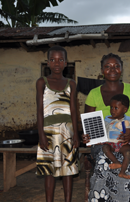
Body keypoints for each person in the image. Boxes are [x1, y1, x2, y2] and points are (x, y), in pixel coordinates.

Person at [82, 53, 130, 201]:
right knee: (103, 160)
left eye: (116, 66)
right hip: (104, 139)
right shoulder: (93, 94)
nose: (112, 69)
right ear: (102, 70)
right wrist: (87, 135)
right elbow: (89, 124)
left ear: (121, 69)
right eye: (107, 66)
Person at [36, 46, 79, 202]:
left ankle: (67, 200)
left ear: (66, 63)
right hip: (48, 132)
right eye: (53, 59)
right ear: (47, 63)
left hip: (67, 131)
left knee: (67, 170)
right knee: (49, 171)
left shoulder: (71, 83)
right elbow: (39, 110)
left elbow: (74, 111)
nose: (56, 63)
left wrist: (76, 134)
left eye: (60, 60)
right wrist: (41, 134)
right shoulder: (42, 82)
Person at [103, 94, 130, 179]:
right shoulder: (107, 120)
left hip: (122, 144)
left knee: (128, 152)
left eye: (116, 108)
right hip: (110, 143)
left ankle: (122, 172)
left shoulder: (129, 120)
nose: (112, 110)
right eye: (111, 107)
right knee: (105, 148)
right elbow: (102, 130)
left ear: (125, 110)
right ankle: (116, 162)